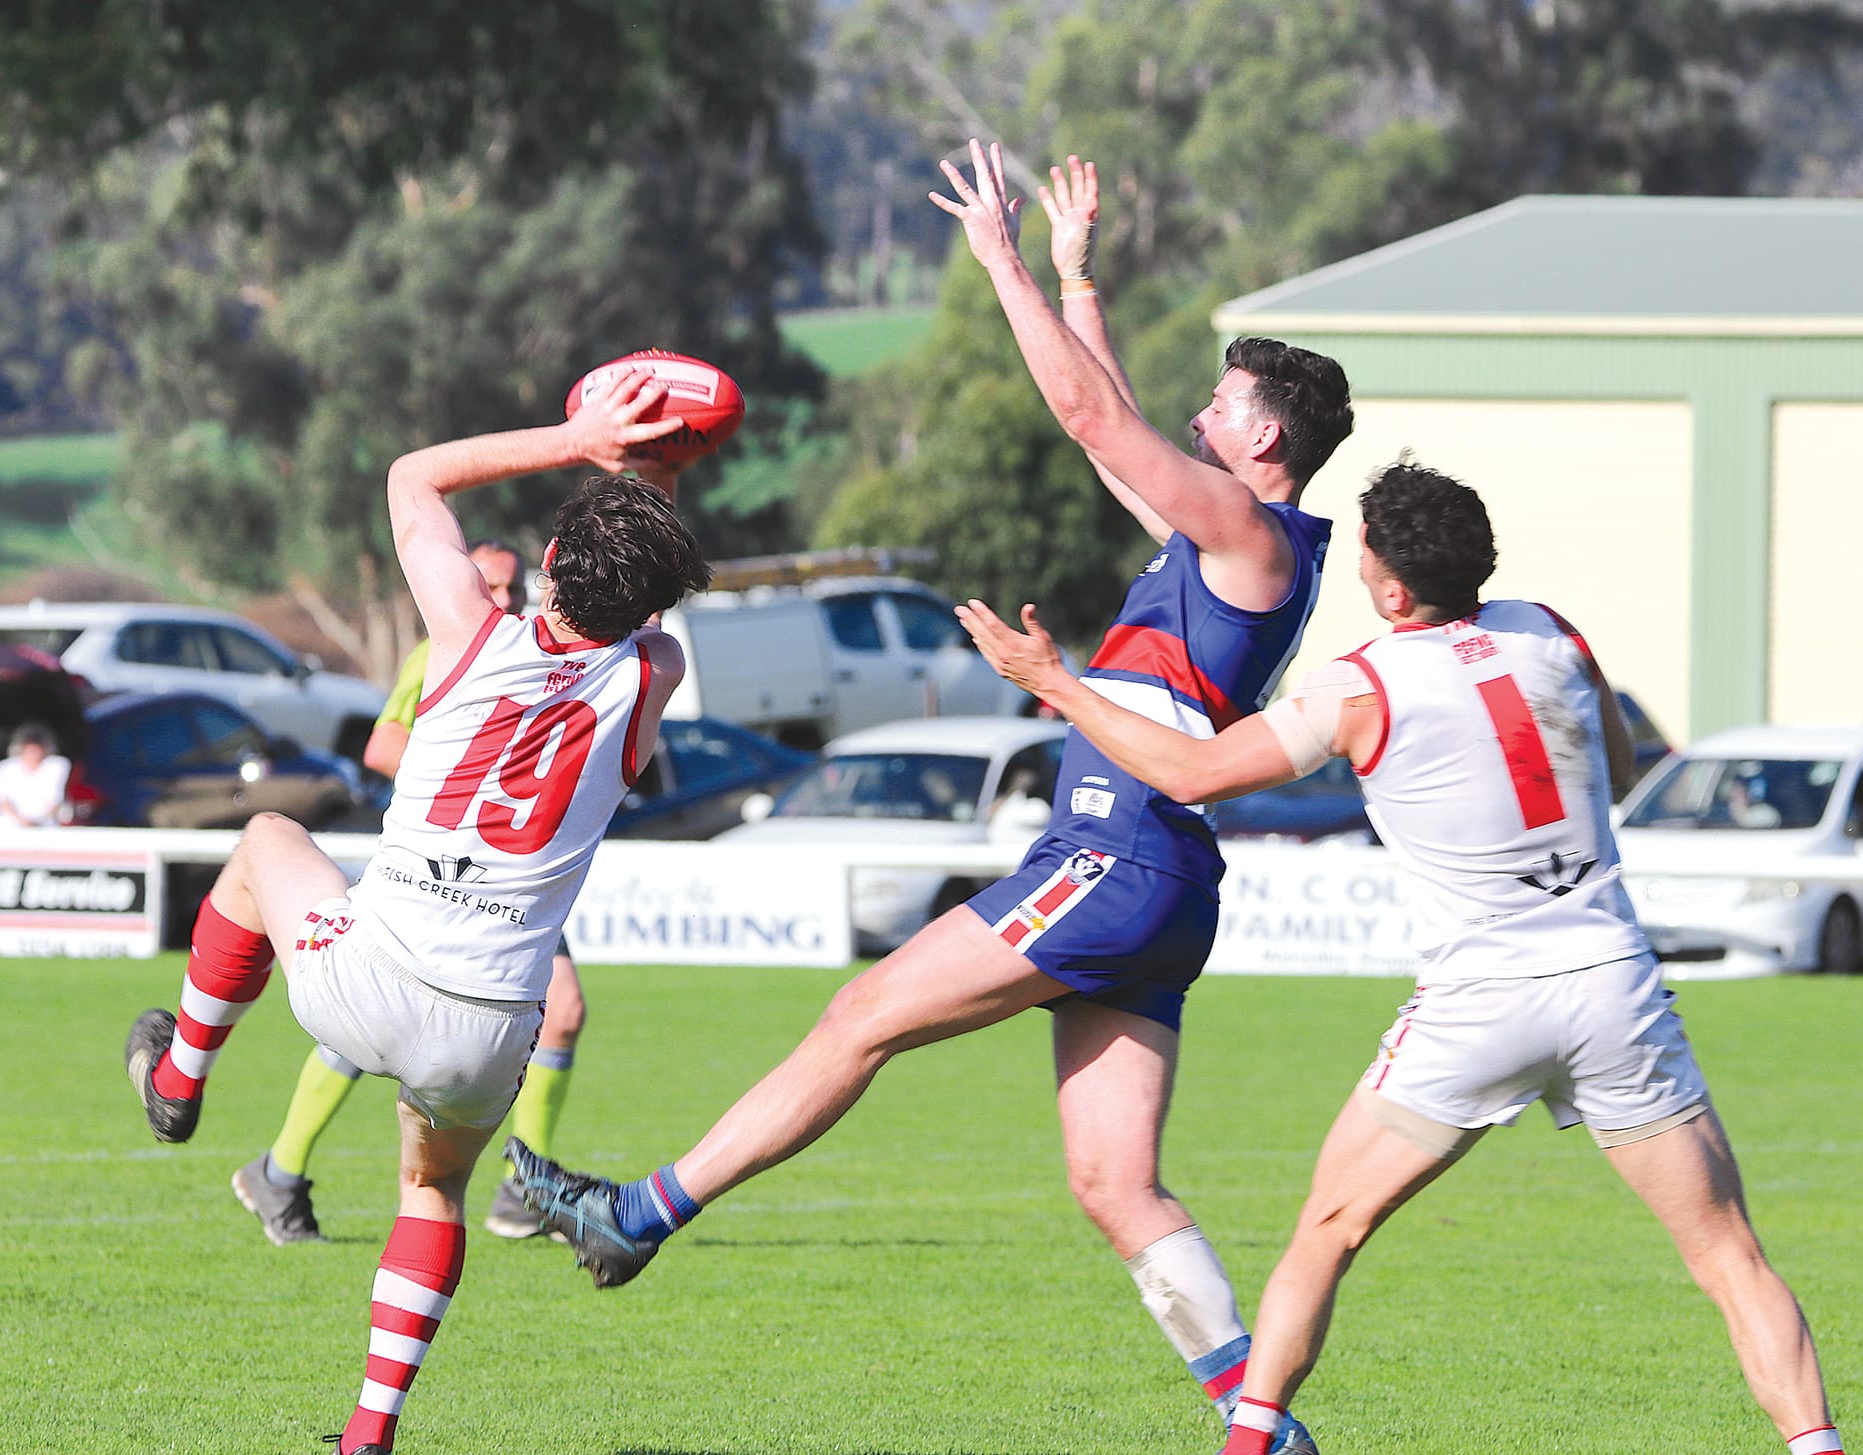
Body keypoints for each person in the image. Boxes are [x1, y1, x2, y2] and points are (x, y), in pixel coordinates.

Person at [511, 141, 1352, 1455]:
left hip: (1117, 849)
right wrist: (1077, 280)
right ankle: (1260, 1426)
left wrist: (1001, 261)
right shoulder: (1229, 537)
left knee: (859, 1016)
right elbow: (1116, 436)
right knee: (1112, 1180)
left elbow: (1094, 421)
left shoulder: (1249, 537)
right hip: (1162, 873)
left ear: (1266, 437)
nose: (1197, 413)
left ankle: (641, 1213)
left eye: (1219, 402)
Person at [957, 460, 1846, 1455]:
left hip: (1478, 1002)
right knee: (1727, 1257)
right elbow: (1618, 760)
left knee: (1325, 1234)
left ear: (1388, 589)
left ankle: (1251, 1445)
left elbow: (1192, 770)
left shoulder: (1361, 683)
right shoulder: (1550, 630)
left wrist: (1052, 685)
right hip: (1610, 984)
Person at [122, 369, 712, 1455]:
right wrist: (656, 481)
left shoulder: (467, 633)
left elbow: (413, 477)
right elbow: (647, 611)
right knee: (431, 1190)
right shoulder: (653, 673)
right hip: (489, 1029)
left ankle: (179, 1076)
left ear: (542, 566)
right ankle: (368, 1433)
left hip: (363, 974)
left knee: (264, 845)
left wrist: (579, 439)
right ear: (654, 604)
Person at [230, 540, 599, 1244]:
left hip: (512, 876)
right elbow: (382, 746)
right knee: (372, 1026)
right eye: (488, 583)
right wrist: (470, 774)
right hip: (438, 869)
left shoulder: (538, 654)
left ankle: (525, 1184)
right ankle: (280, 1169)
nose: (503, 597)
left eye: (512, 585)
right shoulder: (444, 649)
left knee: (563, 1011)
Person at [0, 721, 71, 827]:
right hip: (11, 826)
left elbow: (56, 799)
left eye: (36, 750)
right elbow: (2, 800)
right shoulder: (6, 767)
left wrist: (39, 822)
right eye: (30, 750)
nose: (33, 754)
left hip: (45, 825)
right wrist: (21, 820)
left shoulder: (57, 765)